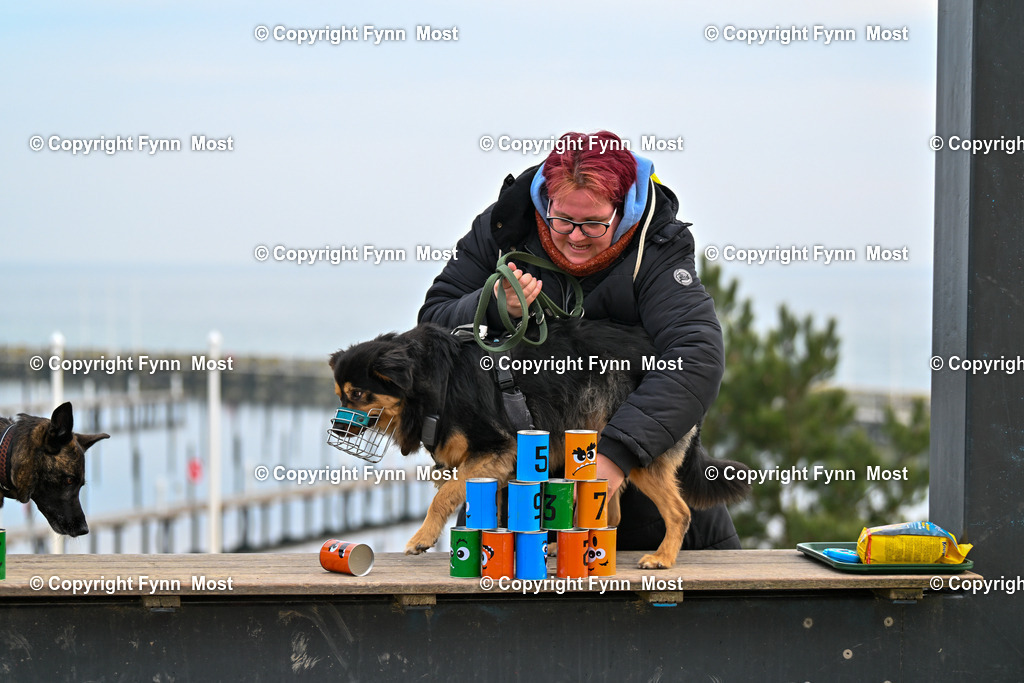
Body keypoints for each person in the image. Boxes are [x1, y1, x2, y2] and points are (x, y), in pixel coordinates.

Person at [418, 130, 740, 550]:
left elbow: (695, 357)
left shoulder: (658, 247)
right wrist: (493, 304)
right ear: (545, 202)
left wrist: (617, 453)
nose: (574, 236)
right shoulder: (502, 227)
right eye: (563, 220)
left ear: (623, 211)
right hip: (511, 498)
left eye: (593, 223)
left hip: (636, 492)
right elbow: (432, 329)